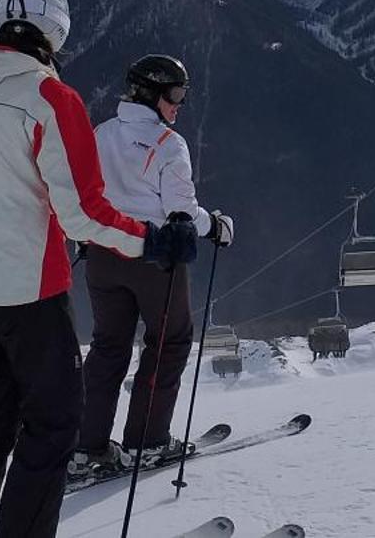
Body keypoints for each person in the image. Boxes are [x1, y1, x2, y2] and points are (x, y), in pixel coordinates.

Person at [0, 0, 202, 538]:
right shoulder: (51, 99)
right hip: (30, 292)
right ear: (55, 32)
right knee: (53, 423)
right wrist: (153, 240)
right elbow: (83, 213)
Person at [71, 54, 235, 477]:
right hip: (154, 260)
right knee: (168, 343)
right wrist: (214, 225)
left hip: (103, 256)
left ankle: (84, 448)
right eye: (175, 94)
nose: (180, 104)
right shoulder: (168, 144)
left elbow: (84, 194)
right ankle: (147, 442)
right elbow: (180, 212)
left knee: (109, 347)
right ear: (152, 93)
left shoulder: (99, 134)